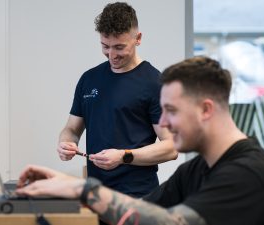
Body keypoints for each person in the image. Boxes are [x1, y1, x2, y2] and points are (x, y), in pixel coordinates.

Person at [18, 56, 264, 225]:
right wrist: (64, 190)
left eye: (172, 111)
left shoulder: (248, 173)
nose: (165, 123)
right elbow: (135, 213)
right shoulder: (194, 171)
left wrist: (82, 189)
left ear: (205, 109)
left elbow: (169, 222)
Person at [57, 2, 177, 197]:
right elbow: (71, 129)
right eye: (105, 46)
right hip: (95, 194)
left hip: (138, 196)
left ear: (138, 39)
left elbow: (171, 147)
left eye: (119, 47)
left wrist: (123, 156)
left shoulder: (155, 83)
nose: (111, 55)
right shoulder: (89, 79)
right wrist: (66, 143)